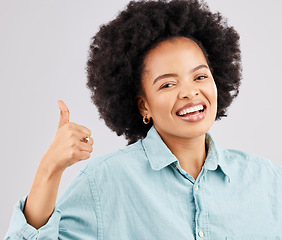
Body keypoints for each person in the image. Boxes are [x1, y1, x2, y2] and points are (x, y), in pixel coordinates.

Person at [5, 0, 282, 239]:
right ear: (143, 105)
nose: (190, 92)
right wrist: (49, 169)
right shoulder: (104, 183)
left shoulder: (268, 181)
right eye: (167, 85)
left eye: (200, 76)